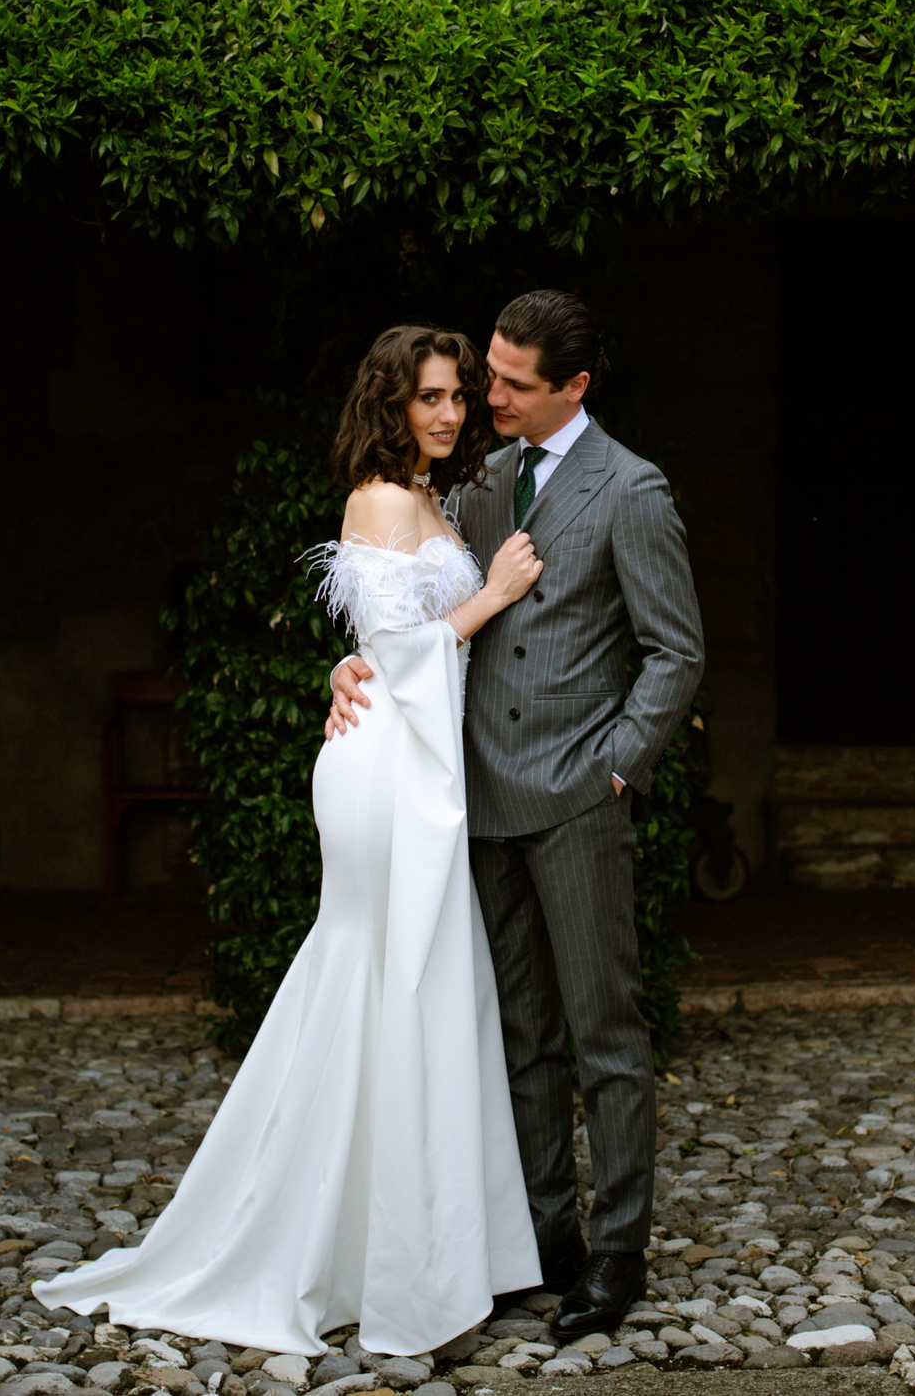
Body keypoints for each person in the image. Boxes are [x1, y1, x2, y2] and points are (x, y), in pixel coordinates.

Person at [33, 325, 543, 1355]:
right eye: (428, 397)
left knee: (412, 981)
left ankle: (403, 1248)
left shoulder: (428, 499)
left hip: (405, 758)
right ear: (390, 403)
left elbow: (373, 643)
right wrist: (489, 597)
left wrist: (350, 662)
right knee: (379, 975)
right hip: (383, 774)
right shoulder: (380, 495)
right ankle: (347, 1247)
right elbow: (398, 654)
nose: (447, 413)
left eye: (456, 396)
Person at [325, 289, 705, 1342]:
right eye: (484, 373)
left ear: (572, 387)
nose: (487, 395)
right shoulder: (480, 479)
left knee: (606, 1032)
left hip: (577, 796)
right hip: (471, 797)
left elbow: (676, 651)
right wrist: (351, 660)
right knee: (520, 1035)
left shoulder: (631, 489)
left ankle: (618, 1248)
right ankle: (545, 1242)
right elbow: (409, 605)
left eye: (510, 382)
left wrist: (617, 768)